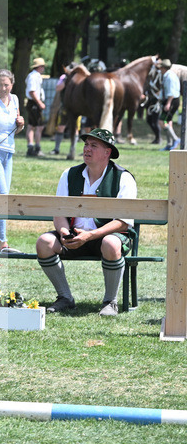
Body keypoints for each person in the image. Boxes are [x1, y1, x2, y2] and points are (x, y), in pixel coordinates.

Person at [34, 128, 137, 316]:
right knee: (44, 242)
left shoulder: (123, 178)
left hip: (106, 237)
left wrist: (90, 235)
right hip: (75, 236)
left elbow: (123, 222)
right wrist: (65, 233)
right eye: (86, 145)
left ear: (108, 152)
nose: (87, 149)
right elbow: (59, 213)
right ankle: (65, 298)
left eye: (94, 146)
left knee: (111, 243)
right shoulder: (69, 174)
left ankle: (110, 302)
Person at [0, 70, 24, 252]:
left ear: (12, 84)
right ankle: (2, 242)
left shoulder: (15, 99)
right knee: (2, 194)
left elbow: (14, 130)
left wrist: (20, 125)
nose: (3, 88)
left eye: (7, 84)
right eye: (0, 84)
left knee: (3, 195)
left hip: (9, 152)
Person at [24, 57, 47, 156]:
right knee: (36, 126)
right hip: (34, 103)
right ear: (39, 67)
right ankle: (35, 147)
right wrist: (39, 103)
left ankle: (32, 147)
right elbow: (32, 91)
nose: (43, 68)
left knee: (34, 126)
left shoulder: (35, 76)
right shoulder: (33, 76)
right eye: (42, 66)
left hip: (34, 103)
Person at [159, 59, 181, 151]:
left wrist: (168, 103)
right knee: (168, 122)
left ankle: (176, 139)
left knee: (161, 121)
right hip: (172, 100)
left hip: (171, 101)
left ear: (164, 68)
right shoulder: (169, 75)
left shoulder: (169, 77)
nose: (160, 69)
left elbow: (171, 92)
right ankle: (169, 144)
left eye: (161, 68)